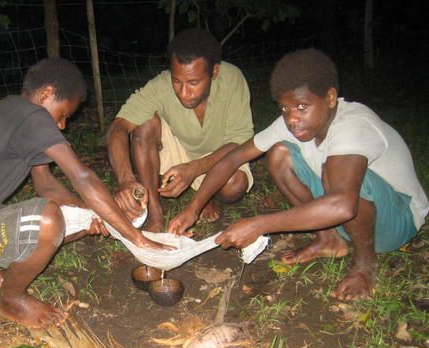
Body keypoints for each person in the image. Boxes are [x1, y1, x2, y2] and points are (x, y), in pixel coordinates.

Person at [0, 58, 169, 329]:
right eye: (63, 114)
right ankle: (11, 299)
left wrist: (94, 214)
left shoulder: (16, 114)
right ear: (46, 94)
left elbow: (46, 183)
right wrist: (137, 238)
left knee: (75, 218)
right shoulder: (31, 116)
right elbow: (82, 176)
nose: (62, 125)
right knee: (48, 220)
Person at [168, 48, 428, 300]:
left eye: (302, 106)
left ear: (329, 98)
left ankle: (365, 266)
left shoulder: (354, 126)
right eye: (285, 108)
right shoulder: (293, 122)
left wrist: (258, 225)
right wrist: (193, 207)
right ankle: (329, 240)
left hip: (395, 221)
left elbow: (343, 204)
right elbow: (234, 158)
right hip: (344, 212)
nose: (292, 119)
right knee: (279, 153)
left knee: (336, 173)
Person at [107, 28, 254, 232]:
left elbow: (242, 142)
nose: (184, 93)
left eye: (194, 82)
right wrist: (126, 179)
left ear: (214, 72)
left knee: (234, 185)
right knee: (144, 122)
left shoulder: (232, 79)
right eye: (177, 81)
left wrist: (194, 169)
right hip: (180, 151)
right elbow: (118, 128)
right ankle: (155, 213)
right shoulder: (160, 85)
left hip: (221, 156)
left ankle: (206, 196)